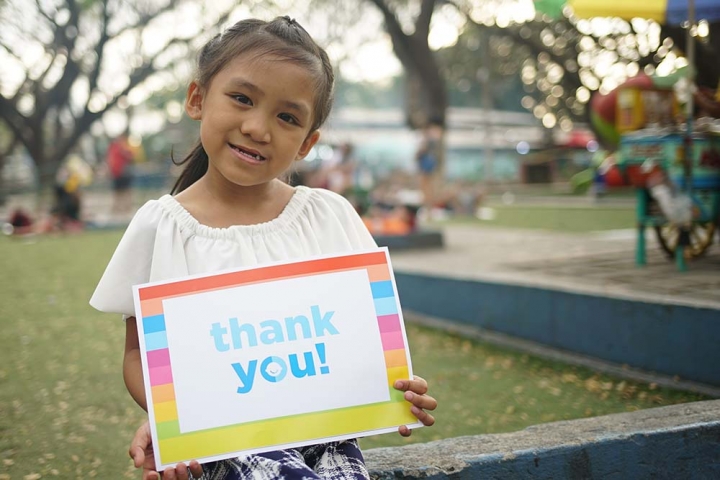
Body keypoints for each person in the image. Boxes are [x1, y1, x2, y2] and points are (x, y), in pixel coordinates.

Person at [89, 17, 437, 480]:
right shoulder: (163, 227)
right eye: (242, 99)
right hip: (229, 442)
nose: (257, 127)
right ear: (197, 99)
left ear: (307, 143)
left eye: (287, 117)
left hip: (328, 435)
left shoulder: (329, 217)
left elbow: (365, 340)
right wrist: (175, 423)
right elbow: (139, 357)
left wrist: (397, 388)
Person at [414, 120, 443, 215]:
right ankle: (428, 208)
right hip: (428, 163)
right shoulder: (432, 138)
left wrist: (418, 154)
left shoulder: (428, 139)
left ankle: (428, 208)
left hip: (426, 164)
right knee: (428, 188)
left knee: (426, 188)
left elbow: (422, 151)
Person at [106, 133, 135, 216]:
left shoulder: (123, 146)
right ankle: (117, 208)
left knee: (125, 191)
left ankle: (126, 207)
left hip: (123, 172)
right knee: (117, 191)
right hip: (116, 173)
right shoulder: (113, 147)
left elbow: (130, 156)